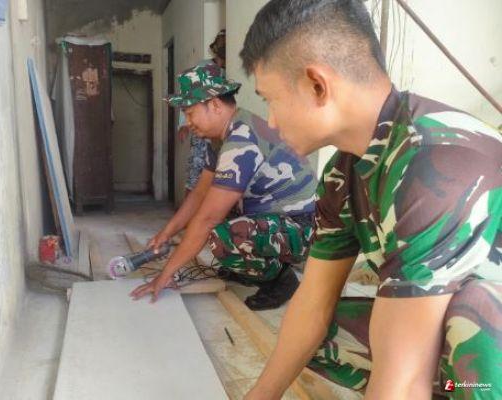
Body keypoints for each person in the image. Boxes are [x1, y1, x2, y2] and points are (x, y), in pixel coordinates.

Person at [239, 0, 502, 399]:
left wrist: (401, 382)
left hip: (488, 351)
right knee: (322, 332)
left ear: (317, 85)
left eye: (269, 99)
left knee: (472, 323)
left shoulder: (435, 162)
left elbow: (406, 381)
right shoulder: (344, 173)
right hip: (461, 354)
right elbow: (313, 303)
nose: (271, 121)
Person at [130, 63, 318, 310]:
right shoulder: (221, 138)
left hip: (302, 227)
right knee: (215, 215)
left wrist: (164, 275)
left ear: (215, 105)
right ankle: (253, 267)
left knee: (222, 237)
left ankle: (280, 280)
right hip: (278, 218)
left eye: (190, 113)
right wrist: (167, 232)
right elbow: (200, 193)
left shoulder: (240, 141)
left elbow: (207, 218)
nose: (188, 122)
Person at [179, 29, 227, 196]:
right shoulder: (204, 67)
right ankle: (189, 210)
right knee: (195, 174)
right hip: (202, 128)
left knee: (219, 175)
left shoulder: (231, 69)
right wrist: (184, 123)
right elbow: (188, 94)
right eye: (221, 43)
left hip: (221, 129)